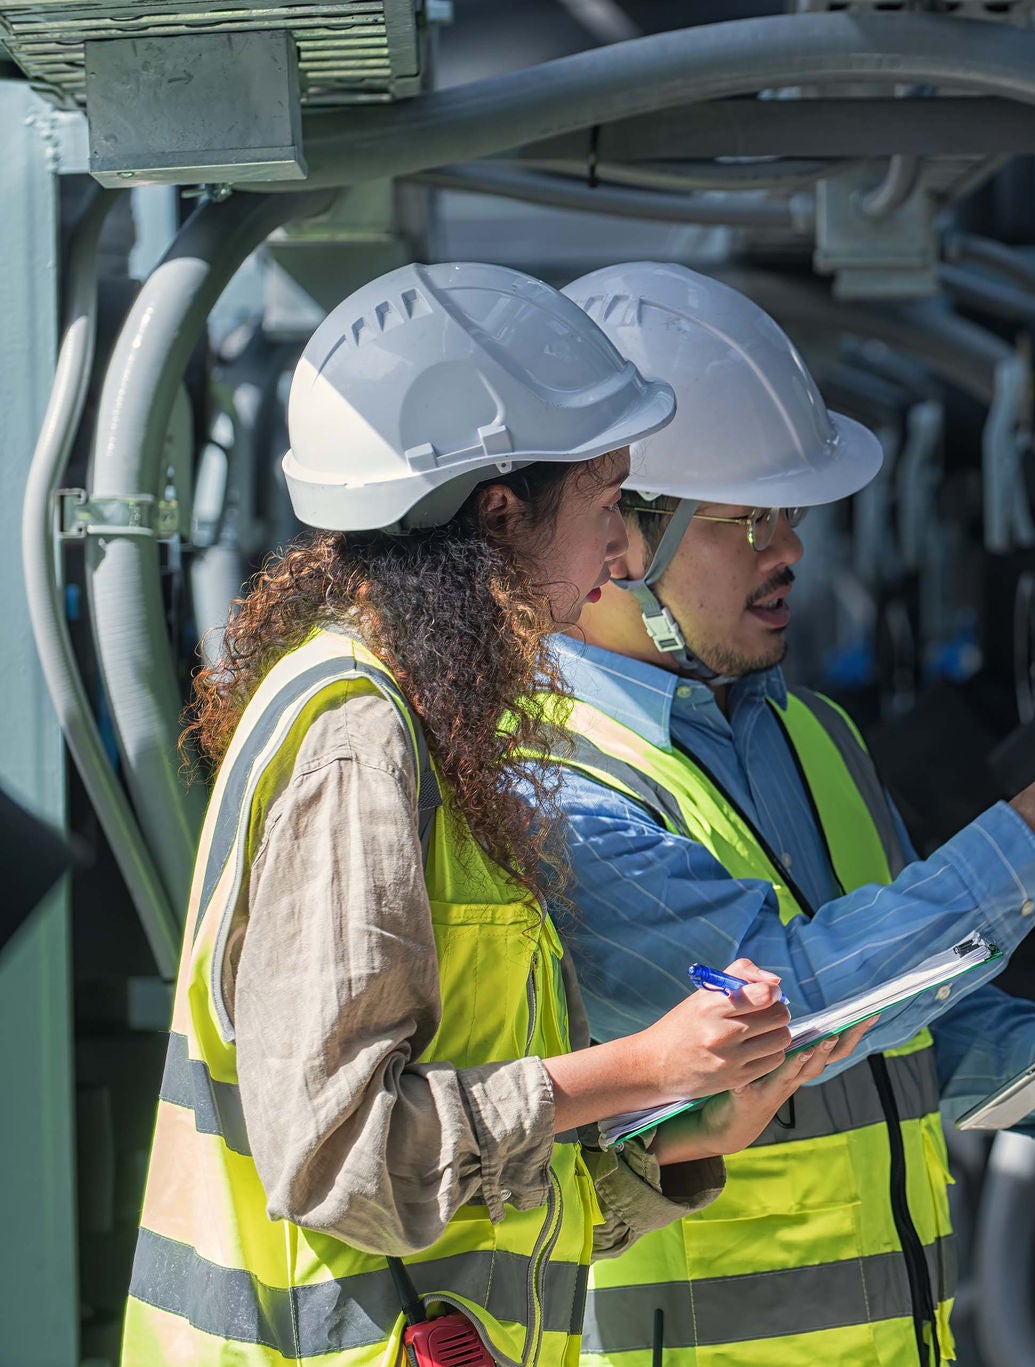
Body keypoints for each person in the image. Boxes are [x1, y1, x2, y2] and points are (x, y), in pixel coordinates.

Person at [121, 262, 871, 1367]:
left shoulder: (428, 721)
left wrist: (666, 1152)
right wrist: (646, 1067)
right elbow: (343, 1161)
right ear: (499, 512)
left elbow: (471, 1200)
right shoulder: (357, 735)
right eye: (608, 505)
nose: (621, 556)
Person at [544, 261, 1035, 1367]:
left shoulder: (814, 735)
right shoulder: (555, 779)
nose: (788, 549)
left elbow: (902, 1023)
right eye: (745, 521)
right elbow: (783, 1011)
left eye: (788, 515)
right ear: (620, 547)